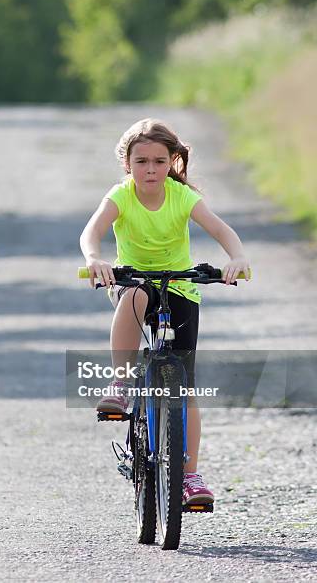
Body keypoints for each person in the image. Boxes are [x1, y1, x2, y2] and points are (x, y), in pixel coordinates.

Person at [79, 118, 251, 505]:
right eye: (141, 161)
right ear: (128, 164)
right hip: (133, 282)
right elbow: (91, 232)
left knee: (183, 383)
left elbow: (221, 230)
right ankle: (121, 384)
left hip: (179, 286)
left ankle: (190, 477)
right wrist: (95, 259)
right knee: (138, 294)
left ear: (173, 161)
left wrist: (236, 256)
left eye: (159, 161)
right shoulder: (120, 196)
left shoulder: (182, 196)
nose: (151, 169)